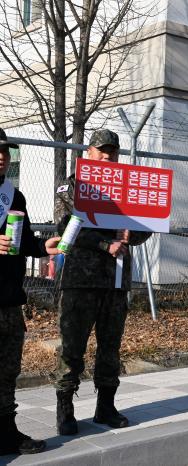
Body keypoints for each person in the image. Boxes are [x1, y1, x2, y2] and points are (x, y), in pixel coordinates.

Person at [53, 129, 152, 435]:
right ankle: (65, 409)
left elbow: (146, 224)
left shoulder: (128, 187)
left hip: (115, 280)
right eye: (101, 150)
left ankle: (105, 407)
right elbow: (66, 226)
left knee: (110, 347)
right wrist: (104, 244)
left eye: (112, 151)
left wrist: (128, 235)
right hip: (80, 281)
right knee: (72, 347)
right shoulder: (71, 186)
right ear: (89, 154)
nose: (107, 156)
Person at [0, 128, 60, 455]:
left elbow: (21, 242)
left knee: (9, 373)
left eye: (5, 151)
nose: (1, 156)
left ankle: (6, 434)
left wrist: (42, 246)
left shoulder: (15, 196)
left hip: (9, 302)